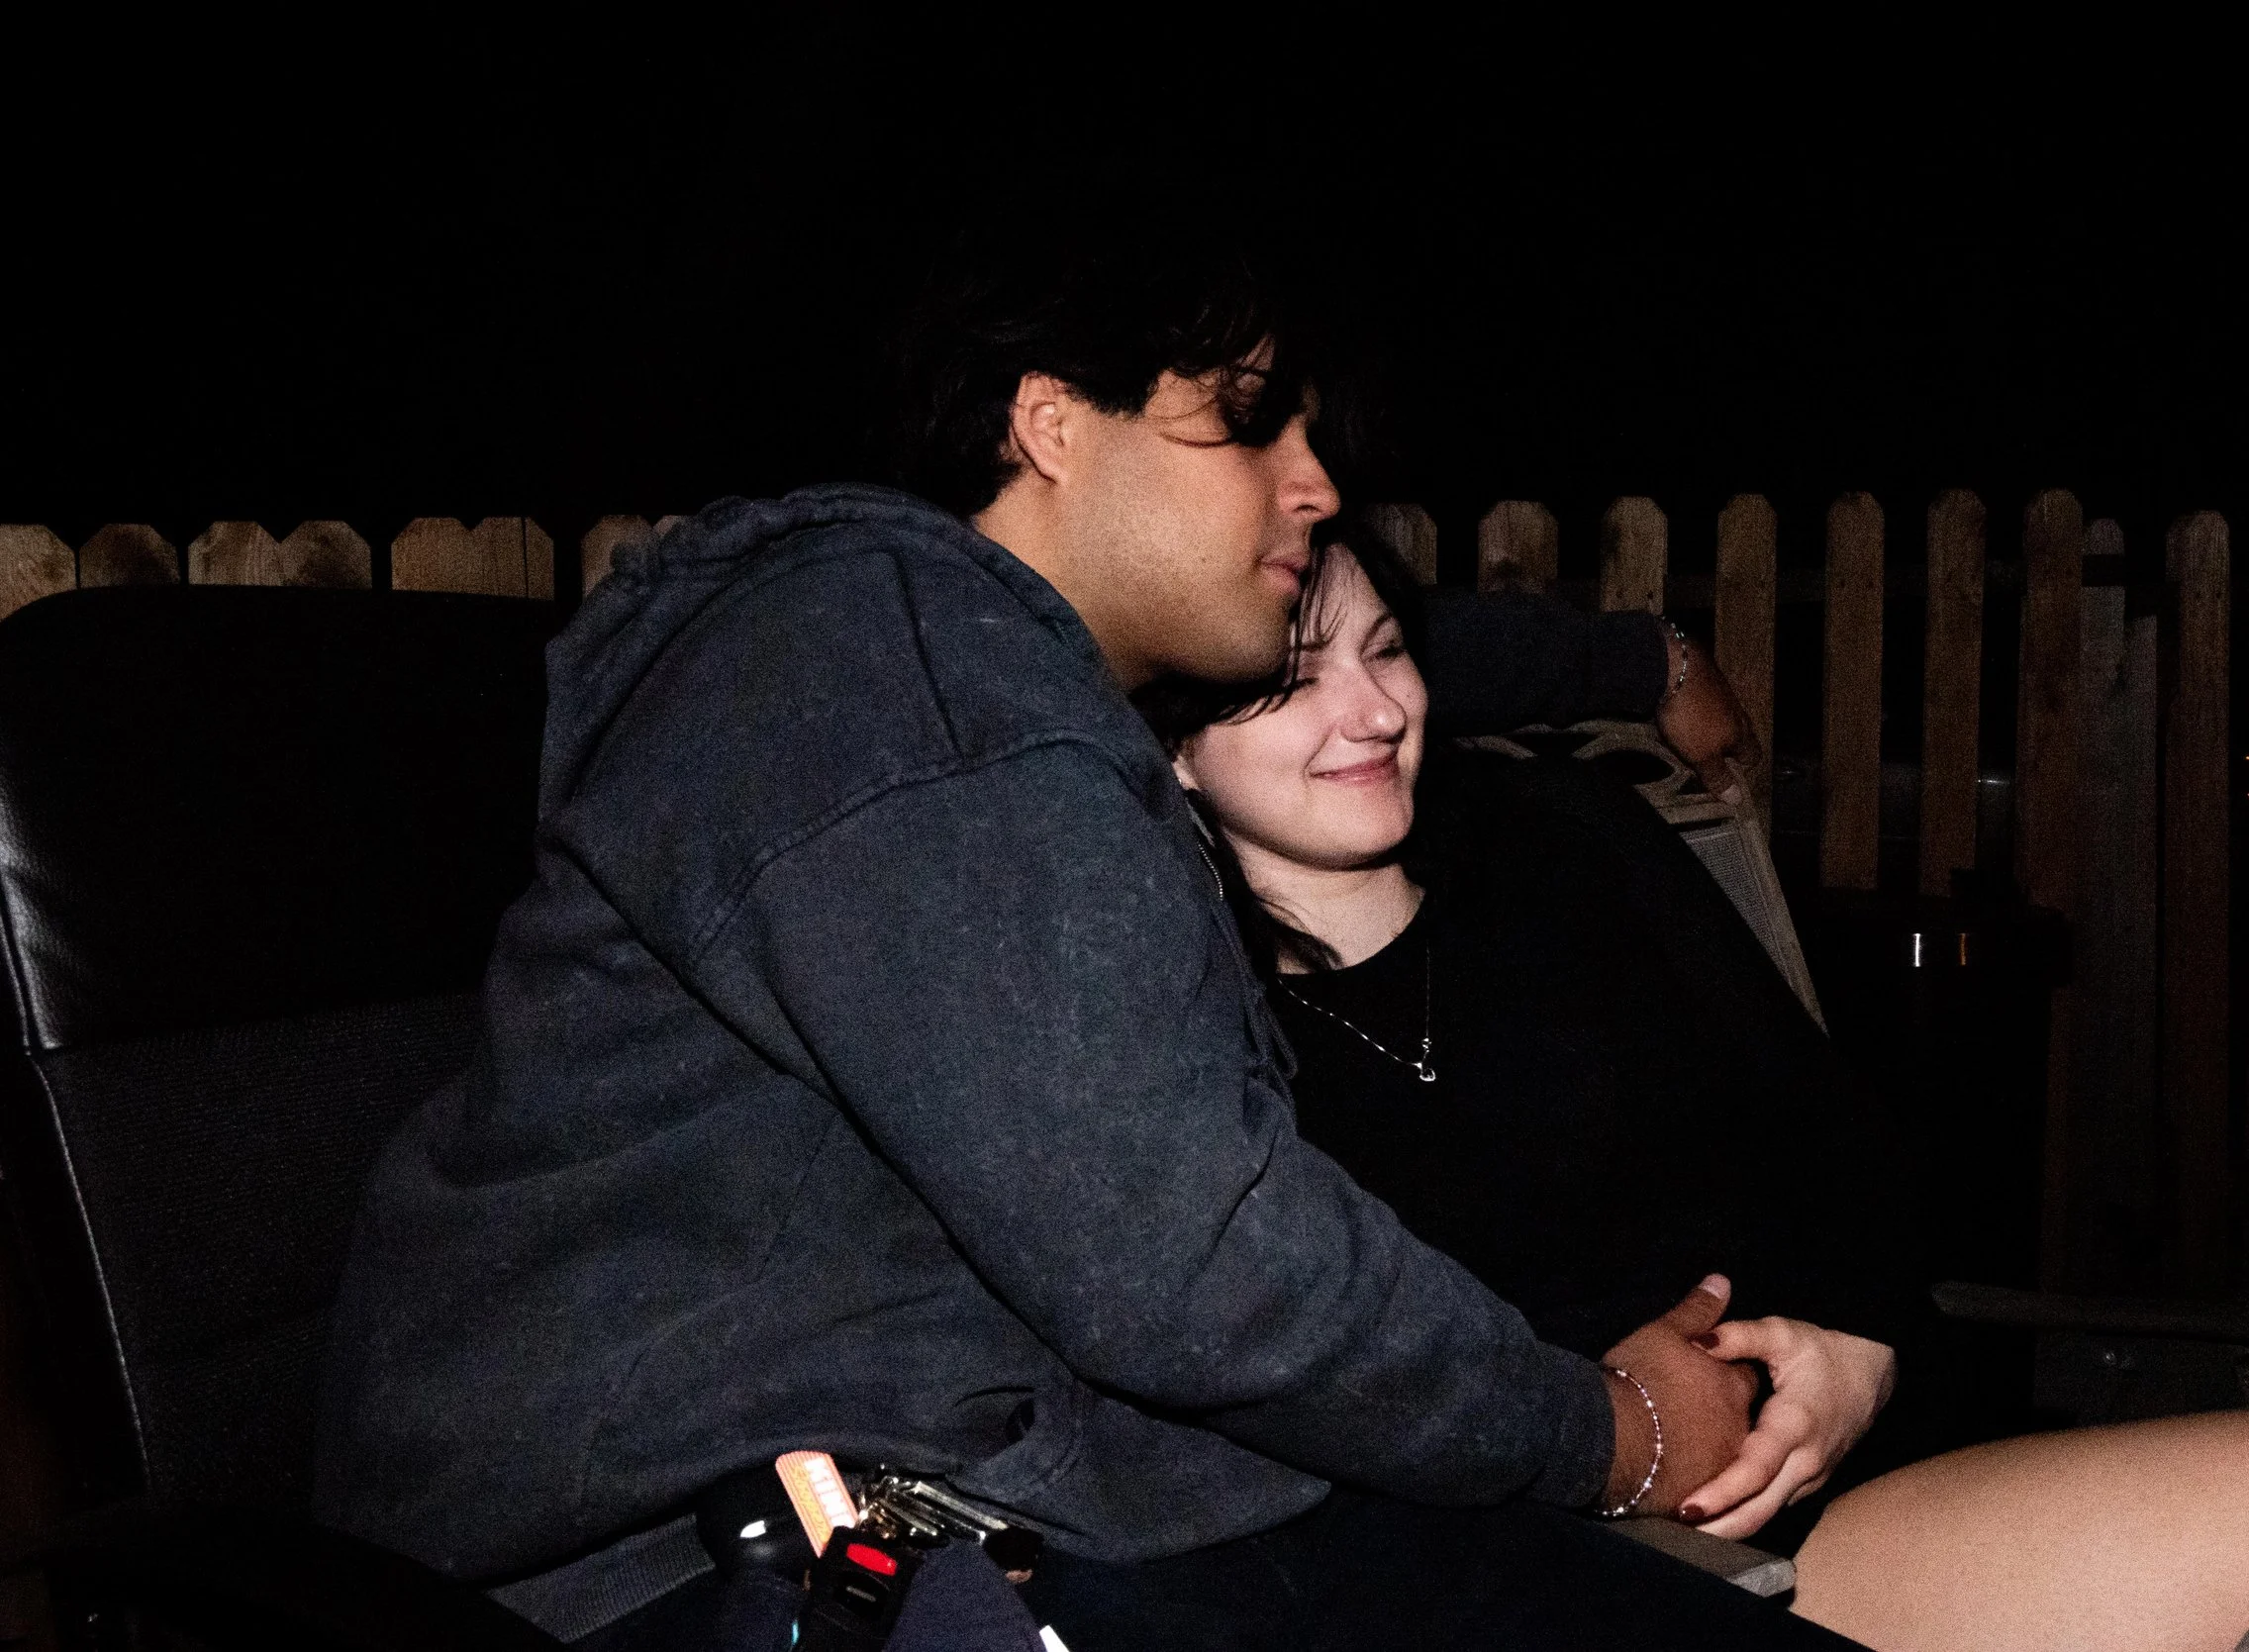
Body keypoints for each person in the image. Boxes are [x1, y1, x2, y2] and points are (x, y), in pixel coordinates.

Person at [314, 227, 1859, 1651]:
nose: (1312, 483)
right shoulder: (909, 681)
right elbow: (1192, 1265)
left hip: (1036, 1486)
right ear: (1052, 424)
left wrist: (1619, 659)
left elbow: (1393, 651)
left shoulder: (987, 698)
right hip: (690, 1567)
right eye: (1250, 421)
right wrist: (1608, 1432)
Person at [1155, 518, 2249, 1652]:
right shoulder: (1169, 1026)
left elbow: (1836, 1148)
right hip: (1569, 1573)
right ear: (1166, 748)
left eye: (1387, 652)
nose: (1374, 710)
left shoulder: (1568, 841)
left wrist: (1860, 1348)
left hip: (1839, 1504)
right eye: (1287, 683)